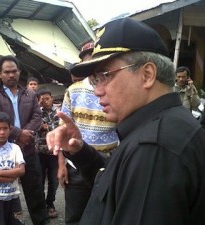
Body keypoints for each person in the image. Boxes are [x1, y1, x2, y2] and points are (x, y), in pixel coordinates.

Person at [46, 17, 205, 225]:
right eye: (94, 80)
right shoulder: (160, 127)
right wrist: (80, 151)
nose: (97, 91)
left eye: (104, 76)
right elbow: (119, 183)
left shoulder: (154, 149)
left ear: (147, 75)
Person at [58, 42, 118, 225]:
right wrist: (62, 165)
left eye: (95, 57)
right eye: (88, 58)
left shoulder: (114, 89)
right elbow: (63, 132)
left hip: (108, 163)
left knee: (105, 215)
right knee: (75, 217)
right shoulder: (73, 91)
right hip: (77, 167)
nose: (91, 61)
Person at [0, 55, 50, 225]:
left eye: (14, 71)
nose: (11, 75)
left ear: (19, 72)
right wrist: (19, 134)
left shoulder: (29, 93)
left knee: (35, 192)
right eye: (7, 72)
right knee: (5, 195)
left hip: (28, 149)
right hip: (3, 154)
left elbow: (37, 116)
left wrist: (25, 136)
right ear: (0, 74)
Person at [36, 88, 60, 218]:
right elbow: (33, 125)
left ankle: (50, 204)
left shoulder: (58, 111)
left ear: (52, 98)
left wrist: (47, 127)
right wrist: (37, 108)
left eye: (47, 98)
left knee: (53, 180)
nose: (45, 101)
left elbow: (59, 128)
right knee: (39, 180)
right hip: (39, 152)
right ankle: (40, 206)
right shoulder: (36, 113)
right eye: (42, 99)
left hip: (54, 152)